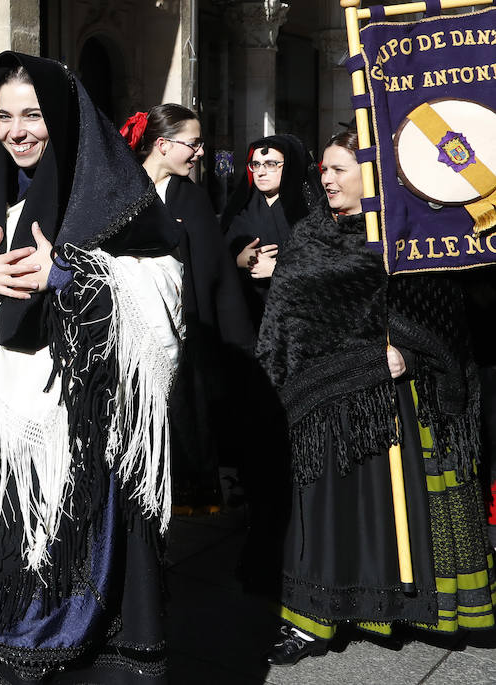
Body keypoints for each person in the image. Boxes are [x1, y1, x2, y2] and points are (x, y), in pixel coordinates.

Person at [0, 51, 184, 683]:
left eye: (32, 114)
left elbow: (164, 287)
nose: (16, 130)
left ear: (62, 116)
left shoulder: (114, 192)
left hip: (78, 435)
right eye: (3, 115)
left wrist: (74, 275)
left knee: (63, 597)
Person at [257, 130, 495, 665]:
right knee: (326, 515)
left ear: (372, 175)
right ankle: (312, 620)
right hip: (326, 406)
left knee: (395, 512)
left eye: (341, 169)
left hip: (397, 405)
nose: (328, 178)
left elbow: (443, 319)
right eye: (325, 169)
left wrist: (409, 355)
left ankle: (408, 605)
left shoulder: (405, 239)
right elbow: (286, 324)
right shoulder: (310, 234)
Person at [120, 105, 254, 510]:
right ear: (162, 145)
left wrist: (236, 344)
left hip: (182, 334)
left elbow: (216, 276)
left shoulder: (192, 198)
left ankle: (175, 504)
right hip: (126, 336)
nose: (200, 152)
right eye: (193, 143)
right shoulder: (119, 190)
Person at [221, 134, 321, 328]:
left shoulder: (312, 214)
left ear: (291, 165)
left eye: (271, 164)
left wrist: (279, 271)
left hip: (297, 321)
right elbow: (214, 259)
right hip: (246, 318)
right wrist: (237, 259)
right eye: (256, 164)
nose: (260, 172)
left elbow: (326, 267)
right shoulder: (240, 208)